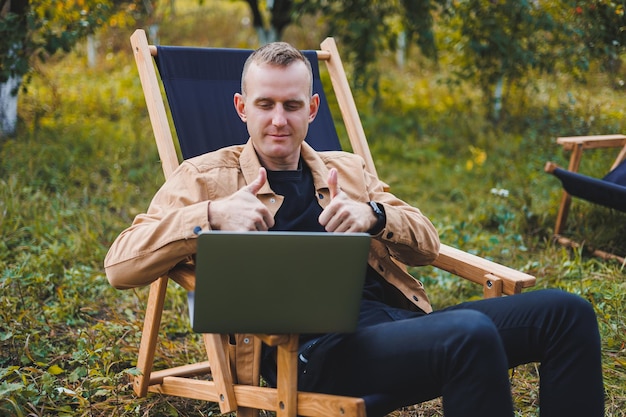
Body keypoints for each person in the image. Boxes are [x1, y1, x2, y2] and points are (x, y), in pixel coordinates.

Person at [104, 41, 605, 417]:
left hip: (397, 327)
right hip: (308, 353)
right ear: (242, 107)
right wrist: (211, 219)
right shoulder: (205, 178)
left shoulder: (345, 169)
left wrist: (375, 217)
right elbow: (120, 263)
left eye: (292, 105)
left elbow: (426, 242)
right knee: (468, 333)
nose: (279, 119)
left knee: (567, 313)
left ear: (312, 109)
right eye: (265, 104)